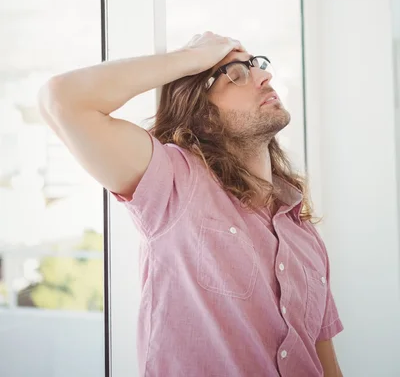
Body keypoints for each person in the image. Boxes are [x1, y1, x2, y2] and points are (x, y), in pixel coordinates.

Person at [38, 31, 344, 377]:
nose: (264, 76)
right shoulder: (174, 183)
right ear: (203, 116)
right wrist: (191, 59)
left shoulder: (302, 231)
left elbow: (327, 365)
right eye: (236, 74)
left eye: (257, 66)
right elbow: (61, 98)